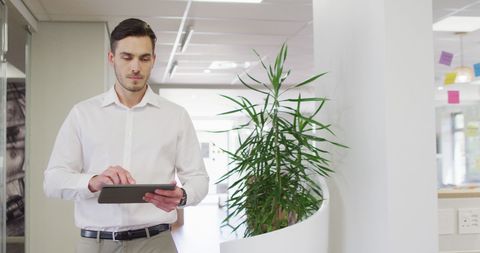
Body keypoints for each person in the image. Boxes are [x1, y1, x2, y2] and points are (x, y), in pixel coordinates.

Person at [43, 18, 209, 253]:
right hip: (96, 244)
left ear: (153, 60)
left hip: (157, 243)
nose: (135, 67)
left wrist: (182, 196)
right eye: (127, 57)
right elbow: (52, 181)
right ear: (112, 58)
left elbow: (199, 179)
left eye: (144, 58)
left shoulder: (176, 116)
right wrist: (93, 181)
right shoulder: (82, 114)